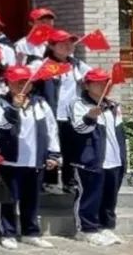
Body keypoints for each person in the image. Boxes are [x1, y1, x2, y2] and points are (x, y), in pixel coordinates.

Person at [0, 65, 60, 250]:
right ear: (8, 83)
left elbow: (51, 129)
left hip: (35, 160)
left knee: (32, 199)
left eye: (25, 82)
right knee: (8, 200)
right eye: (17, 82)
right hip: (9, 159)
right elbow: (1, 125)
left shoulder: (40, 103)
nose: (21, 86)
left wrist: (53, 153)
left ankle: (31, 233)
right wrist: (14, 108)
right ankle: (8, 233)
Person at [70, 68, 127, 247]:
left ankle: (105, 227)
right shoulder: (78, 104)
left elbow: (119, 133)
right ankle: (86, 230)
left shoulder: (113, 105)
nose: (103, 86)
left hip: (114, 159)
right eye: (98, 83)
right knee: (89, 196)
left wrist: (123, 157)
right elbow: (79, 129)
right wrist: (90, 116)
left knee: (110, 197)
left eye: (105, 83)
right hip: (91, 159)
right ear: (87, 85)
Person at [32, 29, 91, 193]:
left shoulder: (77, 65)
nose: (68, 46)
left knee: (70, 149)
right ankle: (48, 181)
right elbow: (30, 84)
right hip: (50, 114)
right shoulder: (42, 65)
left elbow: (93, 78)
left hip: (71, 116)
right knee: (50, 148)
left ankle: (69, 181)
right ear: (52, 46)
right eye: (62, 43)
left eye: (70, 43)